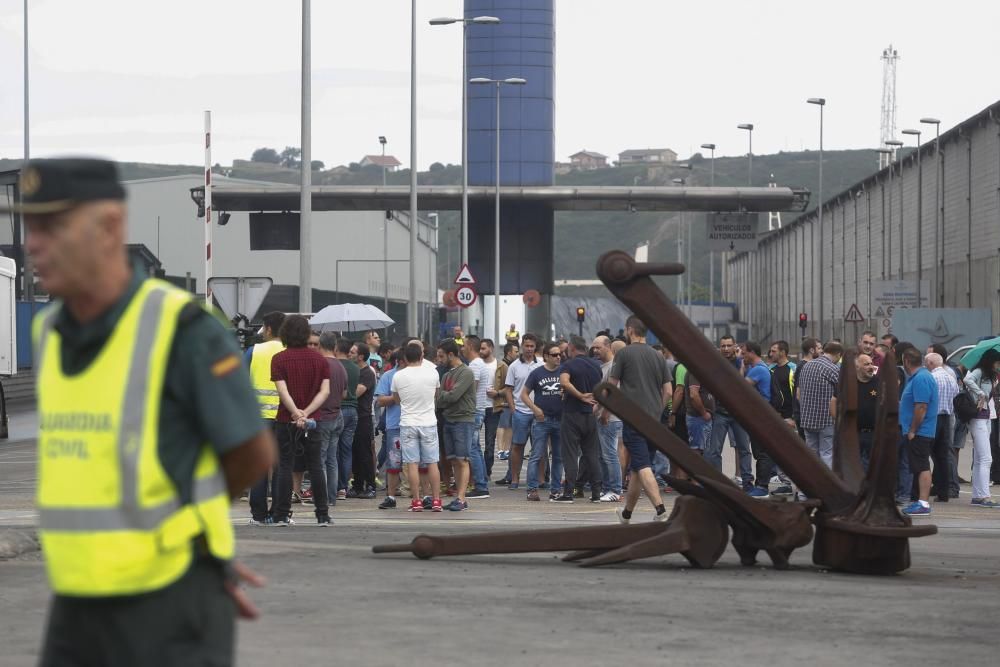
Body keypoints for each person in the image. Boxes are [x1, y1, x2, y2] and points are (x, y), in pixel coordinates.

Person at [19, 158, 274, 666]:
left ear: (110, 227)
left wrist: (196, 554)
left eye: (52, 226)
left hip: (168, 598)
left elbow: (251, 452)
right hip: (75, 598)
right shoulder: (48, 332)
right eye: (30, 226)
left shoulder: (180, 328)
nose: (33, 244)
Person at [609, 316, 672, 523]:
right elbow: (669, 391)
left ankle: (661, 510)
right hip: (654, 420)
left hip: (633, 418)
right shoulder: (658, 356)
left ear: (629, 330)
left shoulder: (624, 353)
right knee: (637, 468)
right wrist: (657, 409)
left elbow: (611, 386)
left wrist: (603, 412)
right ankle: (627, 514)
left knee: (643, 465)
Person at [271, 315, 332, 526]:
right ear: (307, 334)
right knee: (316, 465)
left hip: (285, 419)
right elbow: (325, 392)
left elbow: (282, 391)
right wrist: (307, 413)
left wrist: (295, 413)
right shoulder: (320, 360)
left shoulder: (278, 359)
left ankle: (281, 514)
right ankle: (322, 514)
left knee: (285, 465)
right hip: (314, 420)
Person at [392, 343, 443, 511]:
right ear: (422, 356)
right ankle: (436, 500)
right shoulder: (433, 373)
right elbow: (436, 395)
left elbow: (397, 399)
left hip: (408, 422)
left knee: (412, 464)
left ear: (405, 358)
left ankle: (416, 501)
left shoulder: (398, 376)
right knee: (432, 462)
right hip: (428, 422)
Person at [247, 310, 285, 525]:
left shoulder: (255, 351)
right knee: (281, 467)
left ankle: (258, 515)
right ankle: (277, 513)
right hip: (284, 416)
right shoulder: (290, 350)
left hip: (259, 418)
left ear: (269, 329)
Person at [556, 336, 605, 503]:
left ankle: (568, 493)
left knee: (570, 454)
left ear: (571, 347)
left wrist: (579, 395)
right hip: (590, 415)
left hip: (572, 414)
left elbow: (564, 382)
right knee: (592, 454)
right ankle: (597, 493)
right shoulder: (596, 366)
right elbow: (601, 389)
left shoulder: (568, 365)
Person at [704, 335, 752, 489]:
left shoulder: (741, 363)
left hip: (739, 413)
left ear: (734, 346)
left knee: (744, 449)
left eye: (728, 345)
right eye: (723, 346)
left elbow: (741, 386)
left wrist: (741, 364)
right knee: (714, 451)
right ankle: (719, 483)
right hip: (720, 412)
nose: (725, 349)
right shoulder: (715, 364)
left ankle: (747, 482)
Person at [436, 339, 477, 511]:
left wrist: (442, 395)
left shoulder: (466, 372)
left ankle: (461, 498)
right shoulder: (446, 375)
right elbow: (441, 400)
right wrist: (444, 396)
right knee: (453, 459)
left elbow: (451, 396)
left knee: (462, 459)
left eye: (441, 356)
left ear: (451, 354)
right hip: (449, 419)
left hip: (463, 420)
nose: (439, 360)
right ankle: (457, 497)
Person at [898, 348, 939, 516]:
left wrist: (913, 430)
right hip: (920, 430)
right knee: (919, 465)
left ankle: (923, 503)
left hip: (920, 432)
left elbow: (921, 406)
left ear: (906, 361)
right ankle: (920, 501)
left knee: (922, 466)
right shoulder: (920, 377)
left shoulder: (921, 378)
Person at [521, 342, 564, 501]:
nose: (558, 357)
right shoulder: (537, 373)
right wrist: (535, 409)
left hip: (560, 419)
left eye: (559, 354)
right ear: (546, 356)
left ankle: (556, 490)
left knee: (559, 457)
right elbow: (524, 394)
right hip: (542, 420)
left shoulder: (564, 372)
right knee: (537, 455)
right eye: (554, 355)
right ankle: (532, 489)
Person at [502, 334, 542, 489]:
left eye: (532, 346)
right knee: (517, 446)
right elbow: (508, 390)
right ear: (522, 347)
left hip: (538, 412)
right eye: (527, 346)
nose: (529, 349)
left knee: (540, 447)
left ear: (535, 347)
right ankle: (514, 479)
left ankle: (540, 479)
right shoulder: (514, 366)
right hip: (520, 412)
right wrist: (513, 409)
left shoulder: (541, 365)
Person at [963, 349, 1000, 508]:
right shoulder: (978, 371)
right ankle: (984, 495)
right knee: (986, 458)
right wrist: (980, 393)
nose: (998, 365)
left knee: (980, 458)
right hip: (978, 416)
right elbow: (967, 380)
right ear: (990, 361)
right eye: (997, 362)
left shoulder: (990, 375)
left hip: (986, 416)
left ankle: (978, 496)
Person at [797, 341, 842, 470]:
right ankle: (827, 487)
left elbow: (799, 393)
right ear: (838, 354)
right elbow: (843, 390)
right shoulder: (833, 368)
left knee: (811, 455)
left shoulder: (806, 366)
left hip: (807, 419)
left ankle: (811, 485)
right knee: (827, 454)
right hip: (826, 420)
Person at [314, 332, 348, 506]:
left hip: (323, 416)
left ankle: (322, 498)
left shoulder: (320, 365)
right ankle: (332, 497)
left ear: (320, 345)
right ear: (335, 347)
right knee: (332, 459)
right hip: (338, 415)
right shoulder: (340, 366)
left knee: (319, 459)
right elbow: (344, 393)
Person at [592, 335, 623, 502]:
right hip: (603, 416)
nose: (595, 350)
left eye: (598, 347)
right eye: (594, 348)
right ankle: (607, 488)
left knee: (610, 455)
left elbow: (614, 394)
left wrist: (605, 413)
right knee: (604, 455)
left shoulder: (613, 367)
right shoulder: (603, 366)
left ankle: (615, 490)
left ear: (608, 347)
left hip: (610, 418)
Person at [742, 341, 776, 497]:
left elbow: (740, 387)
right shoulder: (759, 368)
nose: (742, 356)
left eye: (744, 353)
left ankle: (762, 486)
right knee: (760, 451)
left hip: (761, 415)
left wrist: (741, 367)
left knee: (762, 452)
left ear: (751, 353)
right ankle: (762, 483)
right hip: (760, 415)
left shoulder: (757, 371)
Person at [926, 352, 958, 502]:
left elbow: (927, 397)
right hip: (946, 418)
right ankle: (943, 492)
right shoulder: (950, 377)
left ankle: (921, 490)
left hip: (933, 418)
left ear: (931, 364)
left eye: (926, 363)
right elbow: (956, 394)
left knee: (924, 453)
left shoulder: (932, 377)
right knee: (942, 457)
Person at [375, 350, 405, 509]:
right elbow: (380, 400)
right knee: (393, 463)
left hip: (417, 423)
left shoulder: (419, 374)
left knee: (420, 463)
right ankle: (391, 495)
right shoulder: (388, 376)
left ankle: (423, 496)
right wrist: (396, 397)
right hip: (395, 425)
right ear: (399, 361)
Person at [349, 342, 377, 498]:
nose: (349, 354)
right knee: (354, 452)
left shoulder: (367, 373)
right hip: (352, 417)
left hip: (363, 417)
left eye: (353, 352)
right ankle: (357, 485)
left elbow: (356, 392)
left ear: (361, 356)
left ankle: (370, 485)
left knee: (364, 452)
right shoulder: (352, 371)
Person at [465, 335, 492, 498]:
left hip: (474, 410)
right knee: (476, 448)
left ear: (469, 346)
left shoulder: (475, 365)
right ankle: (482, 482)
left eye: (464, 345)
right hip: (479, 409)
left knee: (472, 449)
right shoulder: (480, 364)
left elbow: (471, 389)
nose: (462, 348)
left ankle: (481, 486)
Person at [333, 338, 360, 499]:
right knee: (346, 450)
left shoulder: (335, 366)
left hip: (338, 409)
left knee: (334, 450)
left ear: (336, 348)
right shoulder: (356, 368)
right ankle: (343, 487)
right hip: (353, 409)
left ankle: (335, 485)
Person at [479, 339, 503, 477]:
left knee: (489, 442)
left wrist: (498, 393)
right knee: (474, 442)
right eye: (480, 349)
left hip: (493, 408)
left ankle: (487, 471)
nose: (481, 351)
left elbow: (508, 387)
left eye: (484, 348)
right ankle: (478, 472)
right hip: (478, 407)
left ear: (491, 349)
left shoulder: (500, 366)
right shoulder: (476, 365)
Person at [853, 353, 880, 471]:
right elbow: (834, 401)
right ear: (857, 367)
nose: (871, 367)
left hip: (874, 434)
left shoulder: (879, 382)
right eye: (866, 364)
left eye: (871, 363)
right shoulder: (849, 383)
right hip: (854, 433)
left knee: (872, 468)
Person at [494, 341, 518, 465]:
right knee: (502, 425)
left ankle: (506, 449)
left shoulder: (514, 365)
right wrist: (499, 395)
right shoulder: (503, 365)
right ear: (509, 352)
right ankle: (500, 449)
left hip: (511, 401)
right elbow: (501, 385)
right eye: (516, 351)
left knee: (509, 426)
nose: (518, 354)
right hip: (503, 401)